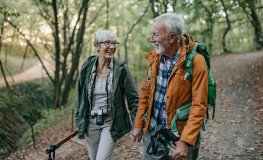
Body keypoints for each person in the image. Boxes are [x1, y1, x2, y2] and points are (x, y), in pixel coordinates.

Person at [132, 13, 208, 160]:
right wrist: (138, 123)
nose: (151, 39)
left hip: (180, 136)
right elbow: (145, 93)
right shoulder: (155, 57)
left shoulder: (196, 62)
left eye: (155, 35)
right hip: (153, 131)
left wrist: (185, 141)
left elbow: (199, 106)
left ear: (172, 37)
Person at [75, 30, 139, 160]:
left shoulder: (120, 69)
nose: (112, 46)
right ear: (97, 46)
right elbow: (80, 96)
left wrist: (137, 124)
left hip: (110, 122)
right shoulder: (87, 66)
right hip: (90, 122)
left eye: (115, 43)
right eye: (108, 43)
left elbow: (133, 99)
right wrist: (79, 119)